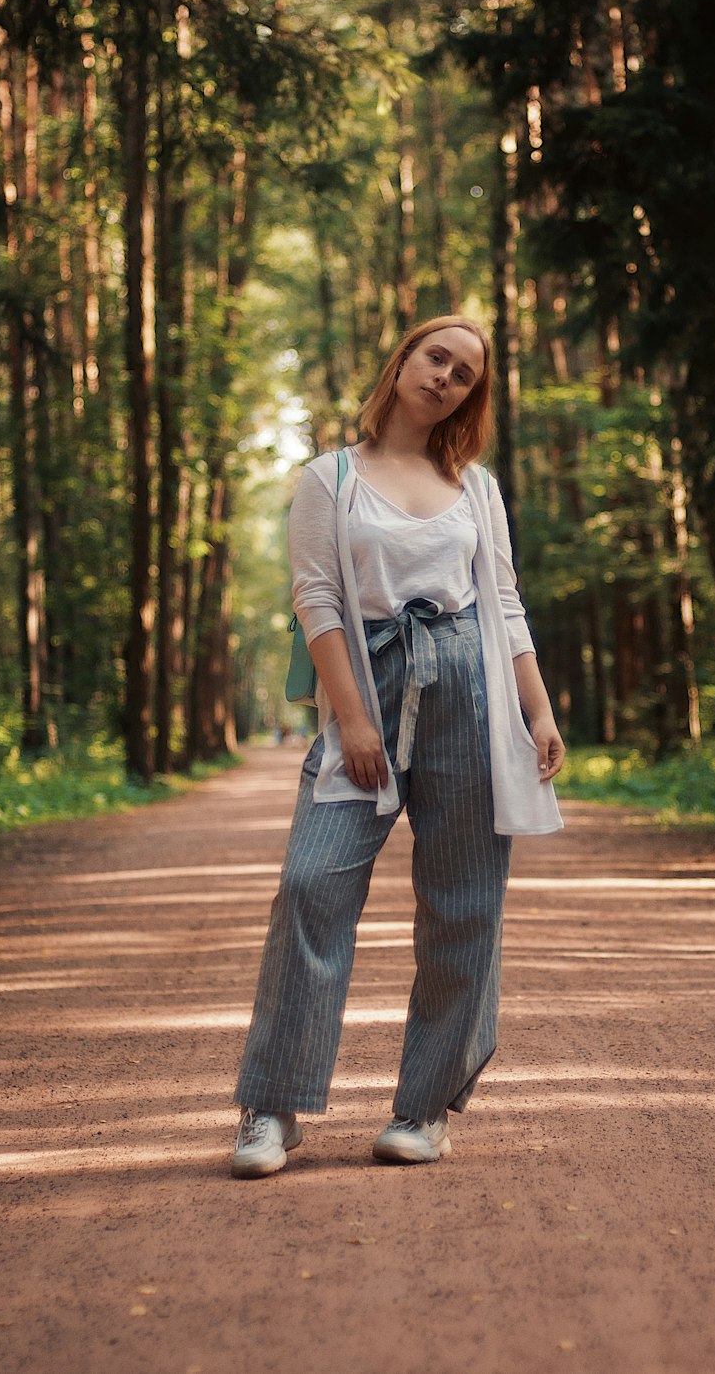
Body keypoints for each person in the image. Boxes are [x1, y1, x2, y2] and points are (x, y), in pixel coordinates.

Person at [231, 315, 565, 1178]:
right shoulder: (329, 479)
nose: (446, 377)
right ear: (404, 360)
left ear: (471, 395)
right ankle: (272, 1108)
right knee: (312, 882)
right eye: (435, 358)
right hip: (368, 685)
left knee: (464, 906)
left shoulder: (477, 488)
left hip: (470, 691)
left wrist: (539, 711)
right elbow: (318, 605)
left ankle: (424, 1109)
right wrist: (352, 719)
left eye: (464, 373)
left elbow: (505, 602)